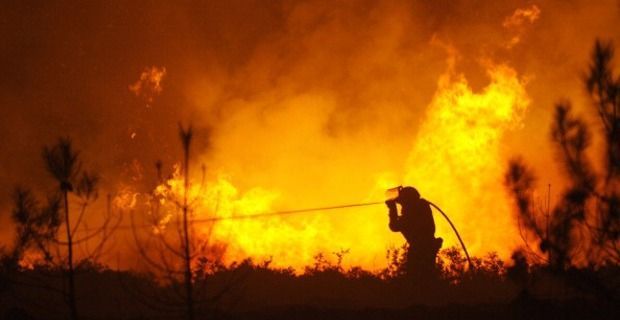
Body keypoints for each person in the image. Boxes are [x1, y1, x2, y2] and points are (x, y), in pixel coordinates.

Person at [386, 186, 442, 278]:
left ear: (408, 201)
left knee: (418, 278)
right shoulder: (421, 206)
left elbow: (395, 226)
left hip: (420, 250)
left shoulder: (414, 210)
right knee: (427, 276)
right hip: (425, 247)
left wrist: (392, 209)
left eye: (402, 203)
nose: (402, 206)